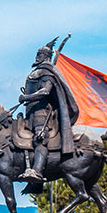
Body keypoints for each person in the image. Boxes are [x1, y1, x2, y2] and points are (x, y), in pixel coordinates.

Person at [18, 38, 79, 184]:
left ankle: (37, 171)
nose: (37, 57)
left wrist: (26, 97)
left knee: (40, 139)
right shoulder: (38, 71)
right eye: (37, 54)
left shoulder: (46, 73)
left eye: (40, 55)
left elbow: (45, 92)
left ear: (46, 57)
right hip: (31, 112)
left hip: (42, 114)